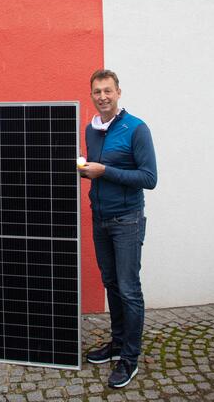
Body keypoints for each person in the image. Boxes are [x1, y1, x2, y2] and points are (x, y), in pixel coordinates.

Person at [79, 69, 157, 388]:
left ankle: (130, 359)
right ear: (92, 96)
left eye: (108, 91)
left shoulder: (137, 129)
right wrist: (86, 172)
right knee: (111, 284)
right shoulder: (92, 129)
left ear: (119, 92)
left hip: (127, 220)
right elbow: (98, 172)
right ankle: (117, 344)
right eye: (97, 92)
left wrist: (105, 170)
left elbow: (149, 178)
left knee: (128, 289)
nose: (103, 97)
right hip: (101, 218)